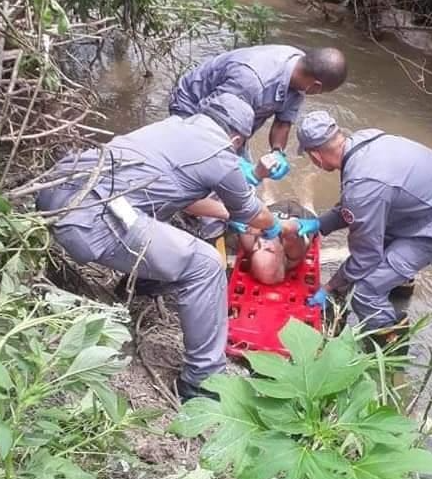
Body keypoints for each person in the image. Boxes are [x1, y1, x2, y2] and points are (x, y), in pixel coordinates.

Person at [36, 94, 282, 401]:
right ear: (236, 138)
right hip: (90, 220)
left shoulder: (173, 126)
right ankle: (202, 379)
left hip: (55, 190)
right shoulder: (221, 152)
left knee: (172, 233)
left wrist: (230, 214)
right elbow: (254, 212)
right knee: (206, 264)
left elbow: (187, 200)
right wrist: (276, 227)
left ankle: (142, 283)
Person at [284, 111, 432, 335]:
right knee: (380, 247)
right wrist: (319, 224)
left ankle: (390, 348)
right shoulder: (364, 140)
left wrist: (330, 286)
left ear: (316, 156)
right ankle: (398, 287)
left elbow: (366, 256)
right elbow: (357, 205)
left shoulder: (363, 185)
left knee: (365, 291)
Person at [169, 44, 348, 186]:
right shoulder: (251, 81)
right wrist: (230, 164)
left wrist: (277, 151)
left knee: (246, 183)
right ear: (315, 86)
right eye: (320, 93)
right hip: (195, 106)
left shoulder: (301, 73)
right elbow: (211, 128)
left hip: (237, 115)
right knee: (204, 169)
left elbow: (283, 122)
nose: (315, 94)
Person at [231, 200, 317, 285]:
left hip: (274, 211)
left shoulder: (250, 247)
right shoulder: (293, 255)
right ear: (281, 253)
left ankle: (269, 199)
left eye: (257, 248)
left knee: (265, 204)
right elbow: (292, 228)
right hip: (300, 216)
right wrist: (277, 229)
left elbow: (244, 217)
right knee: (308, 204)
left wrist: (245, 226)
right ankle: (308, 203)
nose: (263, 242)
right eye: (269, 249)